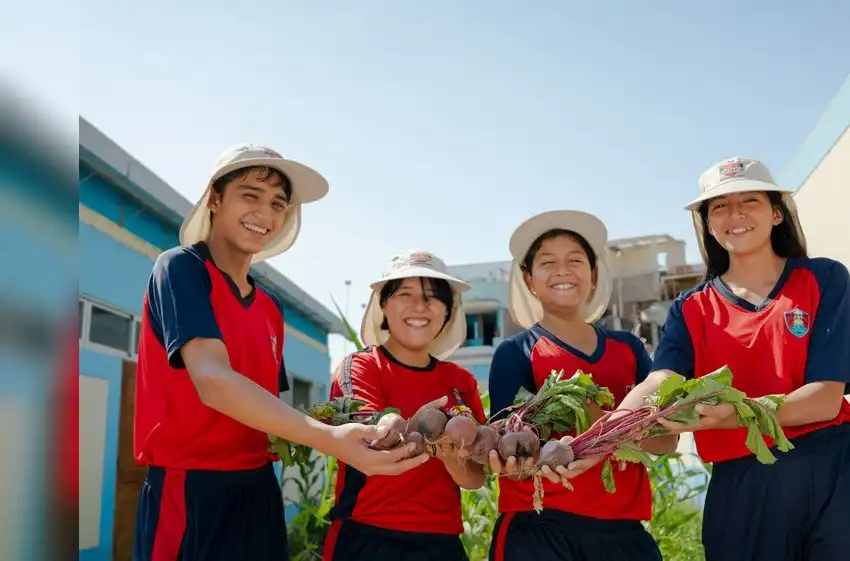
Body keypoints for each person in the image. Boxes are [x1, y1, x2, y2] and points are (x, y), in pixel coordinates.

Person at [131, 144, 429, 561]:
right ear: (214, 198)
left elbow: (269, 408)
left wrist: (356, 426)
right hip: (191, 491)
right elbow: (214, 381)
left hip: (259, 491)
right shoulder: (181, 268)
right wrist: (330, 439)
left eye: (277, 203)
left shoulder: (270, 307)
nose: (265, 213)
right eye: (250, 195)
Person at [614, 157, 850, 561]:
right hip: (742, 486)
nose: (735, 214)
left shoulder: (824, 279)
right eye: (720, 206)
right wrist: (597, 437)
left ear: (776, 213)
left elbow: (825, 399)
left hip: (832, 473)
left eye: (749, 201)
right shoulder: (690, 308)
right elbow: (658, 380)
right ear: (708, 224)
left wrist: (734, 415)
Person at [487, 210, 676, 561]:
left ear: (593, 273)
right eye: (548, 262)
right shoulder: (516, 352)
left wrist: (602, 422)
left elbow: (666, 440)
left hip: (623, 530)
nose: (562, 270)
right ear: (528, 279)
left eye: (575, 260)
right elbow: (507, 448)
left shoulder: (629, 348)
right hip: (539, 528)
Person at [322, 250, 488, 561]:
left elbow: (475, 478)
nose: (419, 306)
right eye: (405, 293)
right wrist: (420, 425)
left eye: (432, 296)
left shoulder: (460, 381)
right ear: (384, 304)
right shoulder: (361, 367)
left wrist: (450, 456)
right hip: (367, 537)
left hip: (442, 544)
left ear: (447, 311)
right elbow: (368, 438)